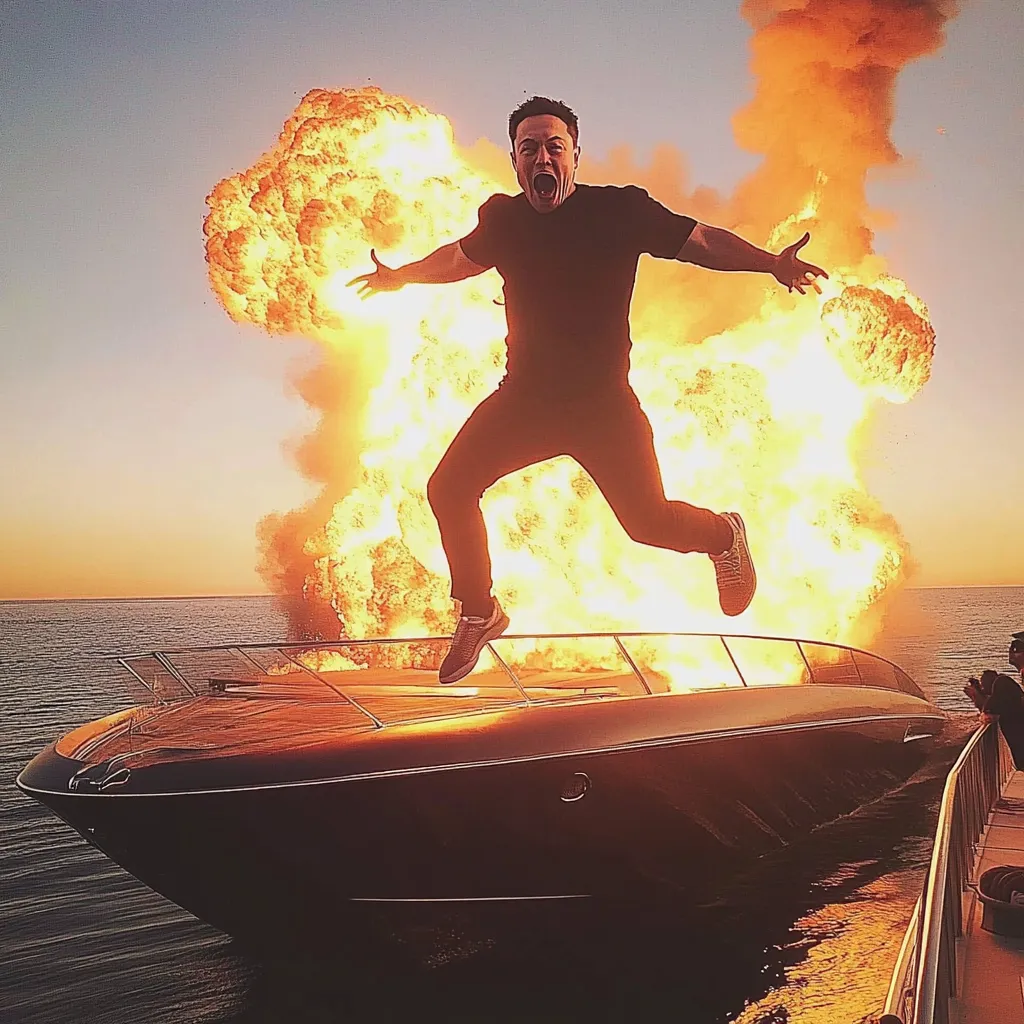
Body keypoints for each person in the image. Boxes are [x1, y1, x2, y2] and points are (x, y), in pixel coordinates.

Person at [349, 96, 828, 684]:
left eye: (554, 146)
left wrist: (770, 264)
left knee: (648, 523)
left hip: (603, 407)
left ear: (575, 155)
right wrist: (401, 277)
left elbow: (702, 241)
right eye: (529, 149)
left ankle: (723, 534)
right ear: (515, 161)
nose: (542, 158)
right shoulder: (505, 220)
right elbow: (458, 259)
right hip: (524, 401)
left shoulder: (619, 210)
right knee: (449, 487)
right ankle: (479, 610)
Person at [965, 667, 1024, 770]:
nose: (983, 688)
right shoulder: (1004, 694)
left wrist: (977, 697)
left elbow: (989, 708)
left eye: (983, 684)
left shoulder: (1002, 682)